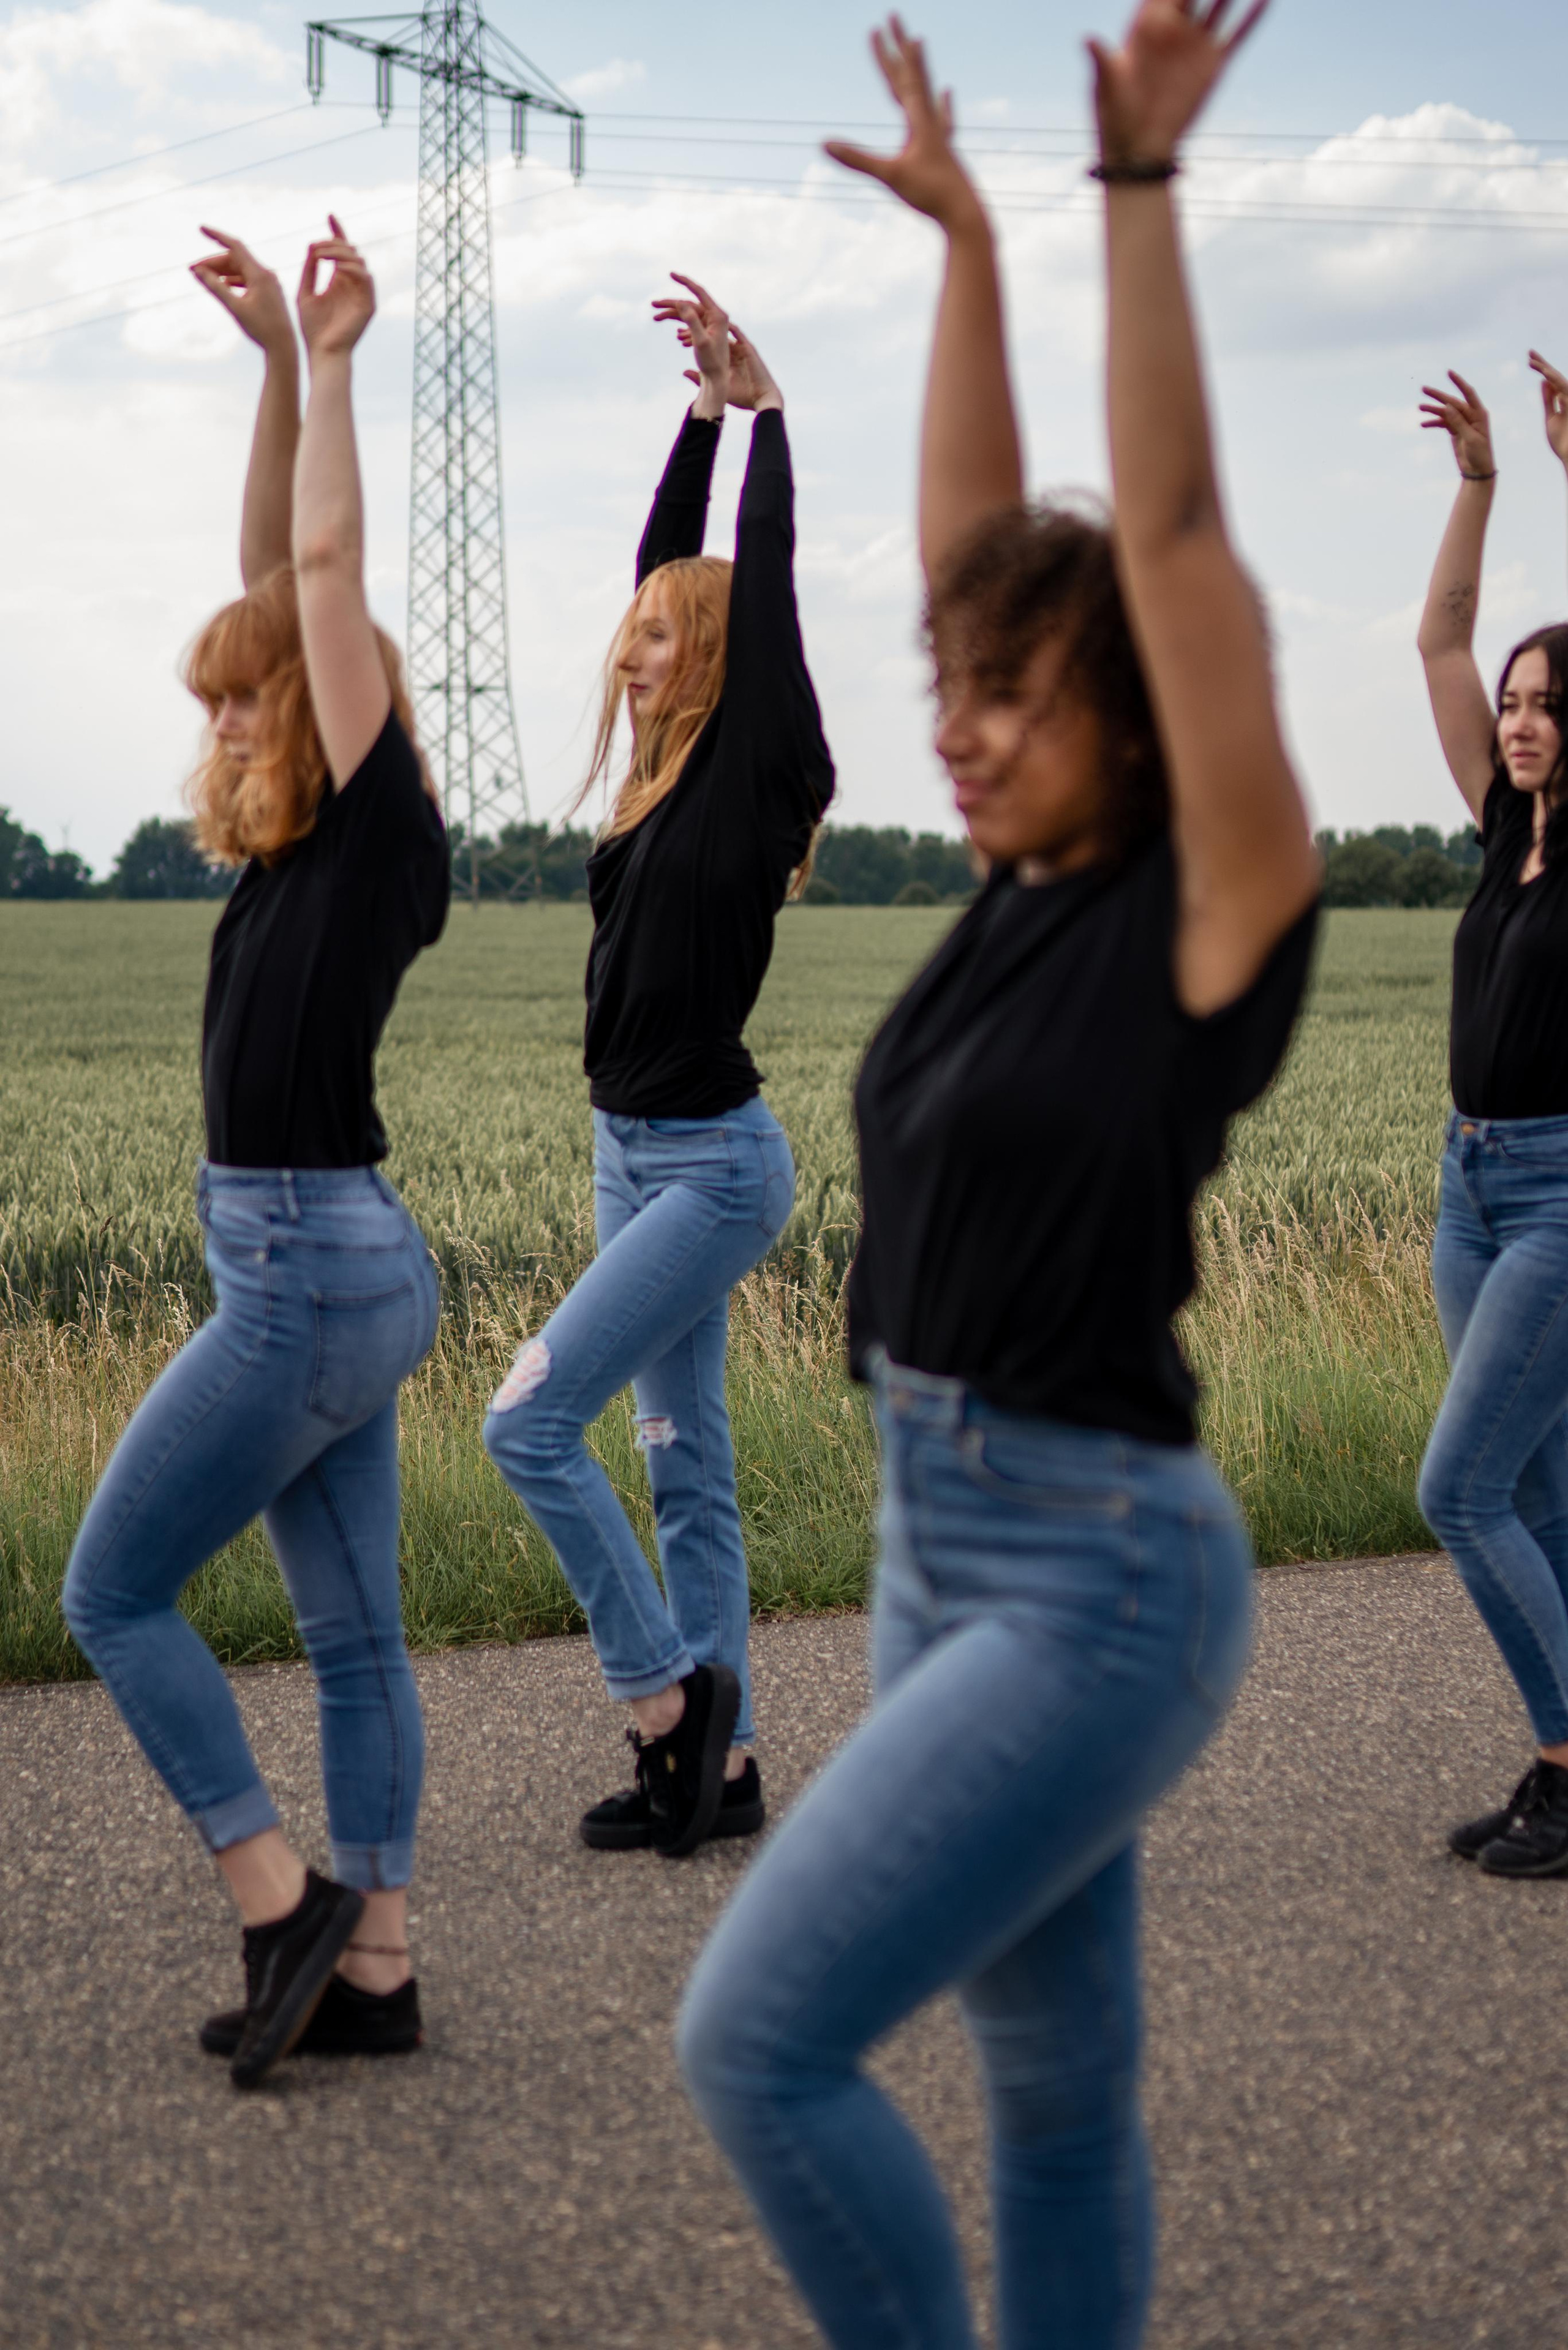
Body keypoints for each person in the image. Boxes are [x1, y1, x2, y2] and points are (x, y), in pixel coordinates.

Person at [677, 10, 1319, 2346]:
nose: (955, 725)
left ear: (1140, 715)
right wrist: (961, 244)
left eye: (1011, 698)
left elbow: (1149, 540)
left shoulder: (1207, 895)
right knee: (1058, 2098)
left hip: (1098, 1570)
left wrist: (1125, 205)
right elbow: (991, 549)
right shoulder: (1019, 879)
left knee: (756, 2032)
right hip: (940, 1535)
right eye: (947, 690)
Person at [61, 220, 448, 2088]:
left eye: (249, 691)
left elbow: (315, 568)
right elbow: (266, 573)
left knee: (108, 1590)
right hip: (333, 1262)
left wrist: (346, 358)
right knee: (356, 1635)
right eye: (210, 696)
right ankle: (376, 1963)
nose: (222, 718)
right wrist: (273, 371)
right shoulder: (303, 844)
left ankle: (275, 1885)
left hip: (305, 1269)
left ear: (325, 694)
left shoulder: (375, 828)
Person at [483, 274, 835, 1859]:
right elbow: (664, 563)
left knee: (528, 1426)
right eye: (628, 638)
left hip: (710, 1164)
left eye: (656, 639)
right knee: (684, 1470)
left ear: (710, 656)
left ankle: (670, 1700)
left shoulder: (755, 763)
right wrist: (693, 417)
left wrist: (765, 421)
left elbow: (754, 585)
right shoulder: (648, 772)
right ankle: (730, 1764)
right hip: (630, 1157)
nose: (630, 653)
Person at [1414, 348, 1568, 1877]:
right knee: (1533, 1486)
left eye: (1546, 707)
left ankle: (1565, 1758)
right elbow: (1439, 635)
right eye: (1513, 705)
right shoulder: (1491, 835)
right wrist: (1478, 484)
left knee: (1454, 1488)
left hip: (1560, 1197)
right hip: (1472, 1189)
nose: (1518, 722)